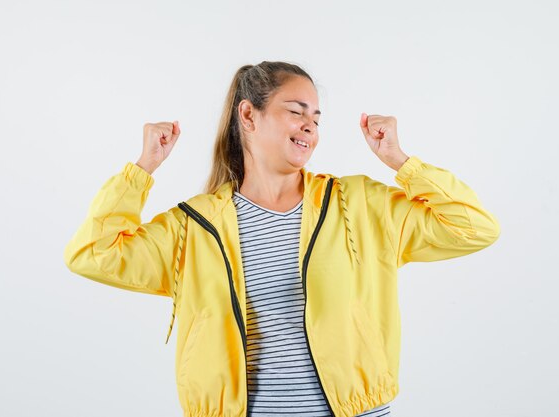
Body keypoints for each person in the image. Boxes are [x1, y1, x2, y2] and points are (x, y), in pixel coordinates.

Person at [63, 61, 500, 417]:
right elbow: (92, 254)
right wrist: (141, 170)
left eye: (315, 116)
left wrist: (400, 161)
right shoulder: (193, 227)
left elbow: (474, 226)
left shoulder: (359, 205)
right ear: (248, 115)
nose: (309, 125)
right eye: (296, 111)